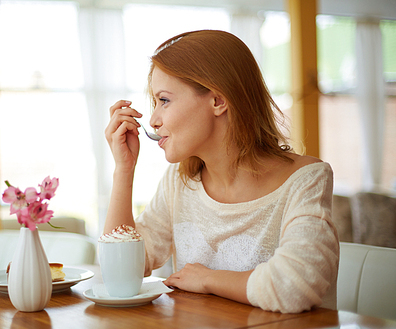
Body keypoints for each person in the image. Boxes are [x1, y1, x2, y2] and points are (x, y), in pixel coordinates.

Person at [104, 30, 339, 313]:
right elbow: (121, 273)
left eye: (164, 100)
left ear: (218, 101)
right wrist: (124, 170)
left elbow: (294, 286)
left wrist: (208, 279)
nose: (153, 120)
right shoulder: (180, 183)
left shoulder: (306, 179)